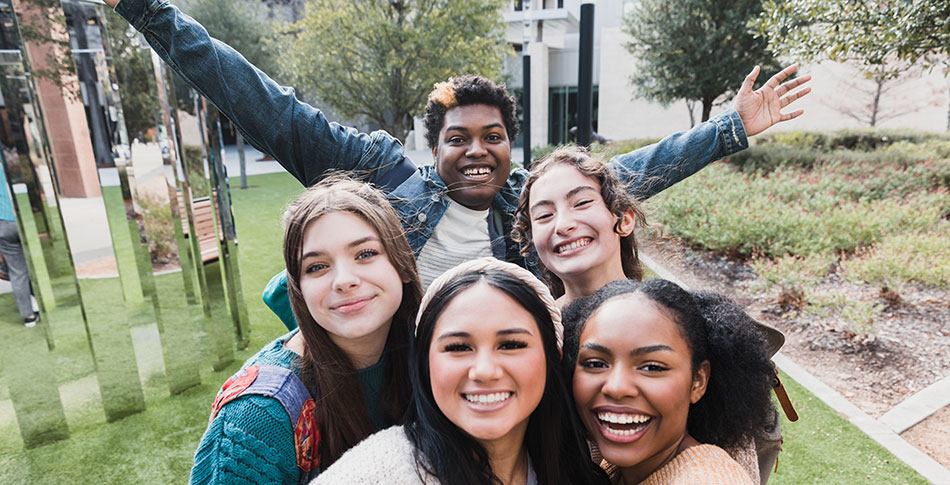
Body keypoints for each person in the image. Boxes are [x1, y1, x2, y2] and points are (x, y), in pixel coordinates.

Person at [105, 0, 810, 325]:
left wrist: (729, 130)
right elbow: (268, 106)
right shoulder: (382, 177)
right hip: (398, 376)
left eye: (493, 135)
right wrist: (150, 12)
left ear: (510, 142)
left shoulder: (531, 203)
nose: (477, 150)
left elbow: (628, 173)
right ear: (432, 145)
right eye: (458, 137)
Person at [190, 176, 423, 483]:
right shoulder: (256, 415)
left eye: (365, 254)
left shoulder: (435, 357)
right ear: (298, 289)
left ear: (402, 263)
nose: (343, 280)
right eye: (316, 267)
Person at [313, 258, 608, 484]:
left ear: (551, 357)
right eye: (457, 348)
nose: (484, 371)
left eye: (511, 344)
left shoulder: (582, 461)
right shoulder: (375, 473)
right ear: (425, 364)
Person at [562, 279, 776, 485]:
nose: (616, 387)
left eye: (652, 367)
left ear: (698, 381)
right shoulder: (628, 466)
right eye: (595, 363)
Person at [0, 163, 38, 327]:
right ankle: (43, 302)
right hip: (24, 217)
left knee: (17, 272)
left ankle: (29, 316)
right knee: (38, 264)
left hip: (3, 224)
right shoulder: (10, 160)